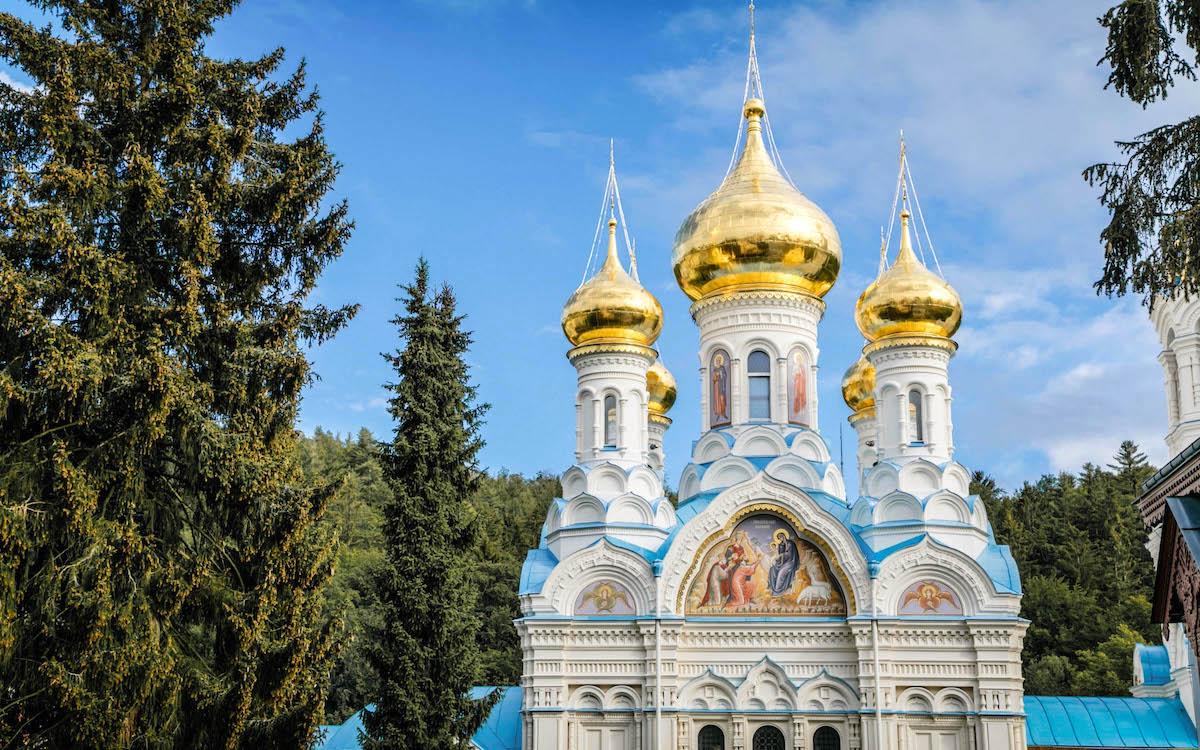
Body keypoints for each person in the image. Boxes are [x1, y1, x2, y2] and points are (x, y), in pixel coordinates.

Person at [767, 529, 799, 596]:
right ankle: (771, 587)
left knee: (781, 573)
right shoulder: (781, 544)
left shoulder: (790, 543)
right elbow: (780, 554)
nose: (781, 538)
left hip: (790, 562)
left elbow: (789, 554)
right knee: (772, 569)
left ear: (784, 536)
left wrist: (781, 555)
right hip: (782, 562)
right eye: (779, 538)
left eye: (781, 536)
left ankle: (778, 591)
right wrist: (778, 558)